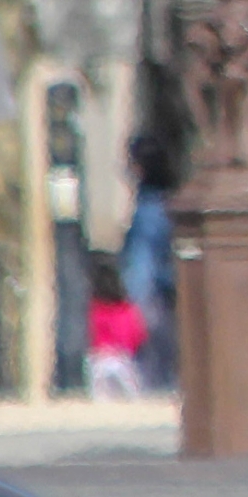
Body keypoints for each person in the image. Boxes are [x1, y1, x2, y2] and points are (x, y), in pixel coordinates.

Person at [120, 135, 179, 390]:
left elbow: (143, 262)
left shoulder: (149, 210)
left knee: (153, 367)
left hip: (150, 296)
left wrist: (135, 300)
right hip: (164, 293)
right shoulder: (166, 202)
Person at [85, 253, 147, 400]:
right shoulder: (127, 309)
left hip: (99, 357)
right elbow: (137, 334)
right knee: (132, 391)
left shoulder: (95, 310)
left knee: (99, 392)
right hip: (122, 355)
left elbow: (91, 333)